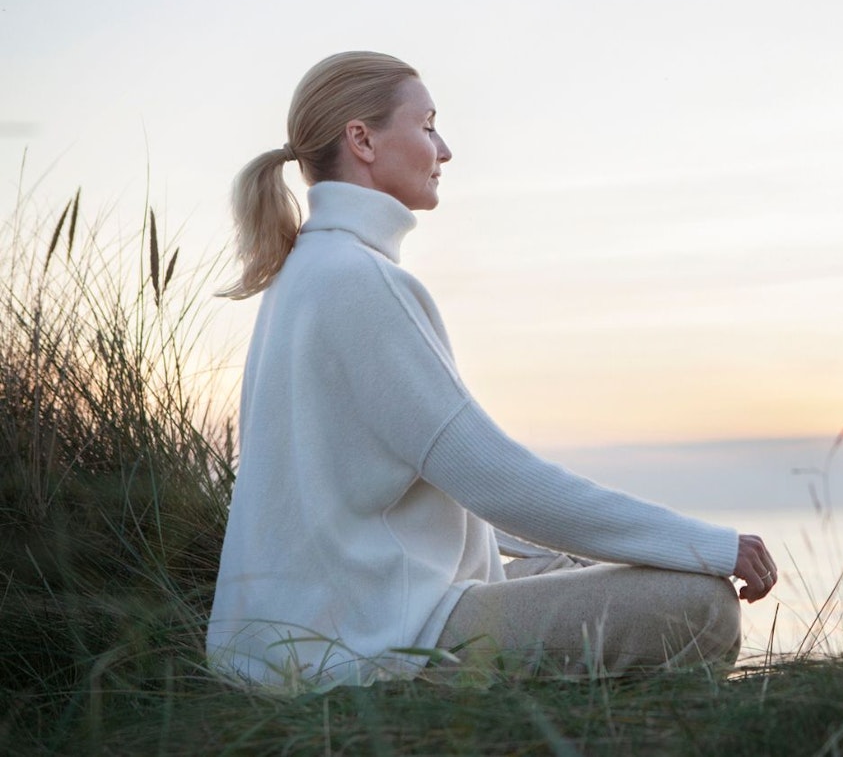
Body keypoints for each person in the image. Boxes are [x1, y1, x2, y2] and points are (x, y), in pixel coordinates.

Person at [205, 51, 778, 690]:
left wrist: (566, 561)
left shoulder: (306, 274)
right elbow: (496, 479)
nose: (443, 149)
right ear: (362, 140)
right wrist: (708, 546)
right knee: (698, 605)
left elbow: (442, 482)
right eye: (426, 126)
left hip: (310, 634)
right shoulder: (359, 282)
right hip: (371, 645)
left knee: (569, 565)